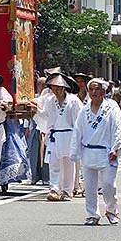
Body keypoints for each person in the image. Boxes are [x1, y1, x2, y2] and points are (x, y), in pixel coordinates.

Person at [70, 78, 121, 226]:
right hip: (89, 152)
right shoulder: (85, 110)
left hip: (107, 152)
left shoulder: (111, 107)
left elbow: (118, 128)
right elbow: (78, 131)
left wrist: (115, 147)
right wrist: (75, 152)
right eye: (91, 89)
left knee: (109, 184)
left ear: (103, 91)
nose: (94, 92)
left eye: (97, 89)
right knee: (89, 187)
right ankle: (92, 214)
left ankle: (112, 210)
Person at [32, 73, 83, 201]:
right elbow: (46, 116)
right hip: (55, 135)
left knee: (68, 165)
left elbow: (79, 121)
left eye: (59, 88)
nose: (56, 90)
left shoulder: (73, 101)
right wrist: (36, 110)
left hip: (69, 135)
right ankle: (54, 189)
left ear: (64, 87)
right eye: (54, 88)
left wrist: (78, 138)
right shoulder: (50, 100)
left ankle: (67, 190)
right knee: (54, 164)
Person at [26, 76, 49, 186]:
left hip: (45, 128)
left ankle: (45, 176)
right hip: (34, 128)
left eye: (43, 85)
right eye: (39, 84)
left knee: (44, 153)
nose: (40, 87)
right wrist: (27, 127)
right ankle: (34, 176)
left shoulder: (48, 96)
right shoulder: (36, 97)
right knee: (33, 153)